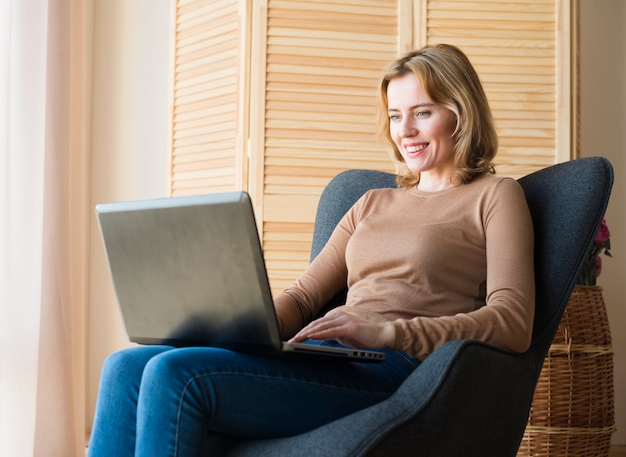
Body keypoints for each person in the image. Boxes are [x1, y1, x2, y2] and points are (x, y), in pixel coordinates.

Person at [87, 44, 535, 456]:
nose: (406, 131)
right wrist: (238, 323)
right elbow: (303, 298)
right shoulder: (372, 202)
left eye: (422, 112)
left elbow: (513, 321)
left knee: (174, 377)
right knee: (125, 367)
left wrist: (388, 334)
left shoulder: (495, 196)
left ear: (460, 112)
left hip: (397, 370)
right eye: (395, 116)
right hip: (333, 358)